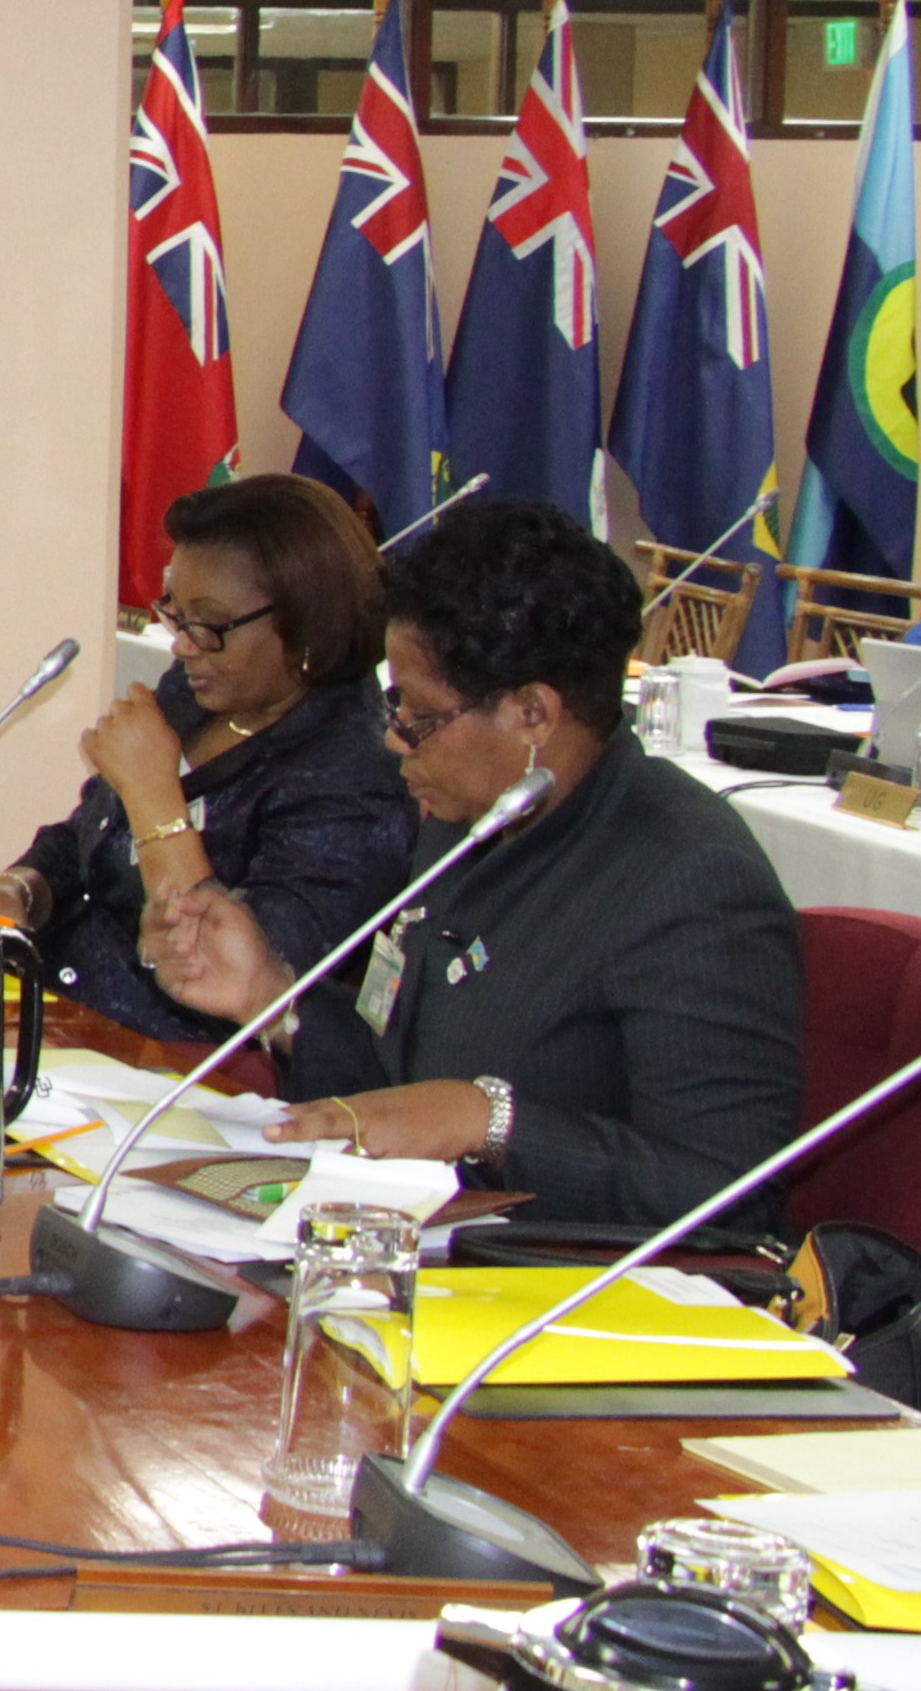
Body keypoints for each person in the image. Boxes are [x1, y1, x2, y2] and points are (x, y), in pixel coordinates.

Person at [144, 499, 797, 1230]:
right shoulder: (469, 822)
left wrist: (493, 1121)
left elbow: (732, 1195)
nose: (396, 743)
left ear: (533, 716)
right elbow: (397, 1091)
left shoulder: (690, 878)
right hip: (414, 1253)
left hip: (572, 1297)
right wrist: (275, 998)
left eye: (419, 717)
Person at [0, 474, 418, 1044]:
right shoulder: (196, 694)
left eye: (210, 624)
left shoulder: (358, 784)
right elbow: (85, 837)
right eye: (177, 614)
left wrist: (153, 799)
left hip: (175, 1070)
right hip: (54, 1018)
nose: (183, 644)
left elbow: (244, 979)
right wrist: (22, 891)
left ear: (307, 623)